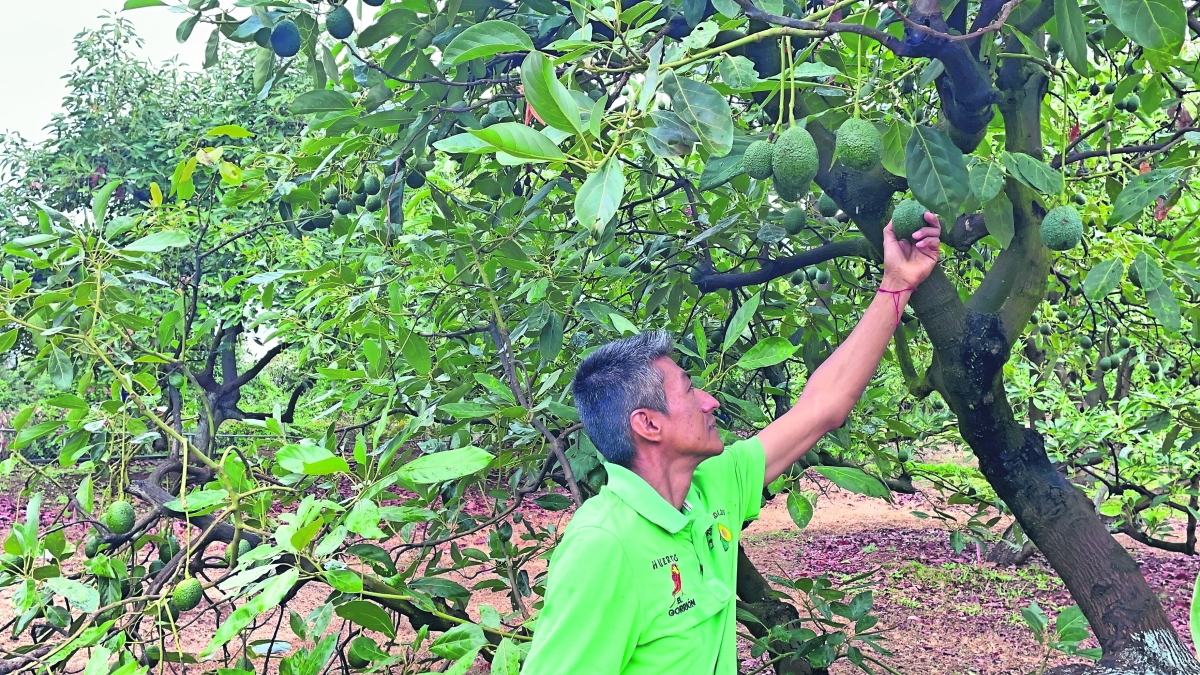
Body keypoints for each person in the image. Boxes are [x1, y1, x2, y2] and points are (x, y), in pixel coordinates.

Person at [521, 215, 942, 674]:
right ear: (648, 424)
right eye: (688, 389)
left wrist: (896, 283)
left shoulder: (710, 487)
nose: (710, 400)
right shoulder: (604, 547)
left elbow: (823, 407)